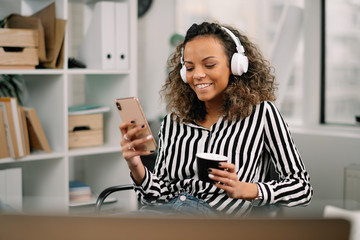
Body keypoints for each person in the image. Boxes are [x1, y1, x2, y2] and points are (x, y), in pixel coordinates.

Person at [119, 22, 313, 216]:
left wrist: (249, 190)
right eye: (189, 67)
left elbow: (302, 188)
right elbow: (156, 197)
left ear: (236, 66)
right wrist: (136, 166)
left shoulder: (262, 114)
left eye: (209, 64)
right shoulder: (173, 122)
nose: (198, 75)